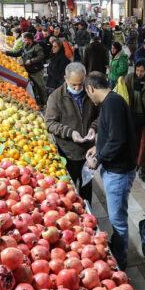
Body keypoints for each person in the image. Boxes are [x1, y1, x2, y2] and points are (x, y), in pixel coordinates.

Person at [84, 72, 137, 267]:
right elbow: (111, 134)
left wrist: (97, 158)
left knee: (118, 220)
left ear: (91, 88)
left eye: (87, 93)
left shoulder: (113, 104)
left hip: (119, 171)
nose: (89, 97)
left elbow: (117, 140)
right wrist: (97, 147)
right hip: (115, 168)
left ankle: (120, 262)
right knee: (116, 216)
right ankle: (118, 253)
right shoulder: (109, 102)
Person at [45, 63, 98, 203]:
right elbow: (50, 123)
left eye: (81, 84)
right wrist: (70, 133)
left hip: (88, 151)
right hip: (68, 151)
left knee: (87, 186)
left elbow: (101, 115)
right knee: (70, 191)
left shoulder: (90, 92)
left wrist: (93, 127)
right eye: (74, 84)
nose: (77, 88)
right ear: (65, 79)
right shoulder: (56, 97)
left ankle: (88, 211)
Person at [6, 32, 47, 107]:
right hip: (28, 70)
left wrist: (31, 61)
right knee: (34, 87)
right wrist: (6, 52)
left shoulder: (37, 47)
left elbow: (41, 56)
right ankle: (39, 103)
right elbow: (18, 53)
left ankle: (45, 103)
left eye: (24, 40)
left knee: (41, 86)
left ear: (29, 40)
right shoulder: (25, 45)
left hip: (36, 71)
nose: (23, 41)